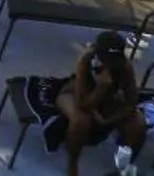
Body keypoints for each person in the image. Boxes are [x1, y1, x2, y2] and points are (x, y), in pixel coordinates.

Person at [55, 31, 143, 174]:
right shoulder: (86, 60)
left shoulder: (124, 66)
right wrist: (102, 87)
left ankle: (125, 164)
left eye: (114, 60)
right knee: (80, 120)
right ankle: (72, 163)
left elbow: (131, 103)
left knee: (138, 124)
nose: (111, 64)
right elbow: (82, 103)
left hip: (106, 100)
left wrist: (107, 121)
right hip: (74, 95)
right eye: (108, 60)